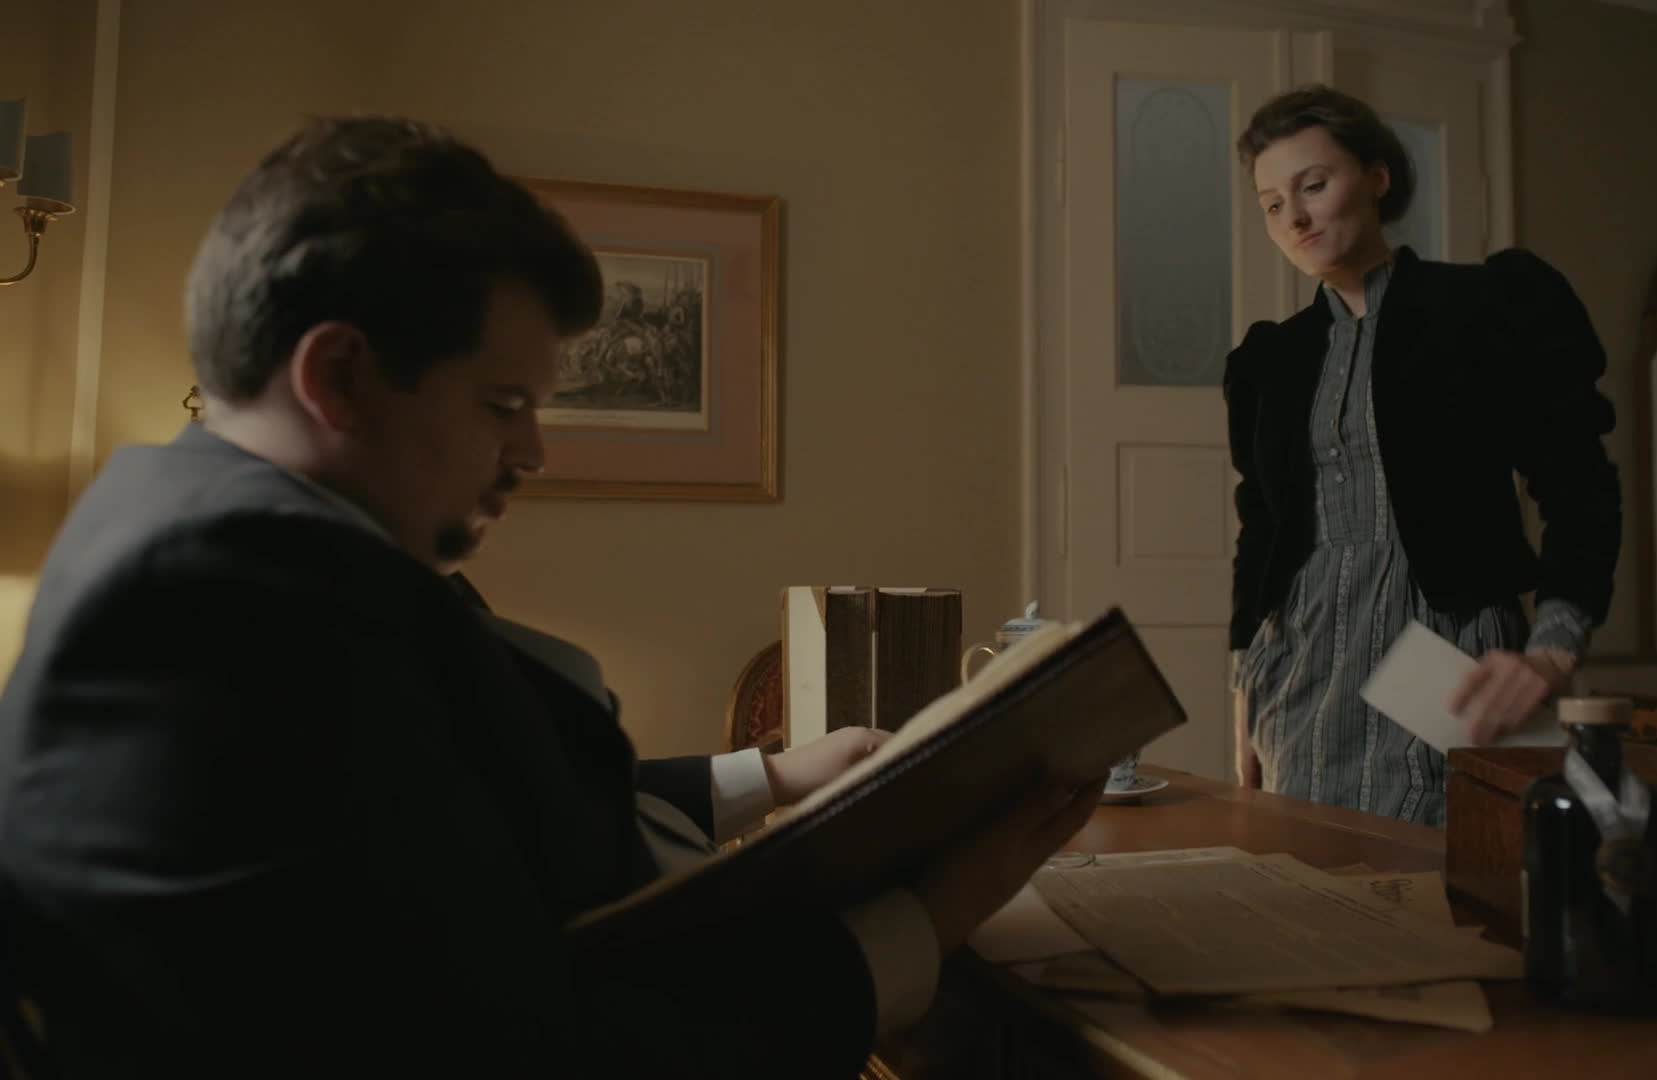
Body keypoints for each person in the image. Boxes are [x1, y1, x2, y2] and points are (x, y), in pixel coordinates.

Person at [0, 115, 1100, 1078]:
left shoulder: (235, 544)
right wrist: (928, 919)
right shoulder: (236, 613)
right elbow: (551, 1046)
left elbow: (473, 818)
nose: (530, 451)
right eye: (503, 404)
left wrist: (767, 777)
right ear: (337, 376)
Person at [1225, 85, 1622, 825]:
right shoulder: (1269, 361)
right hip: (1300, 673)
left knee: (1438, 871)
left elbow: (1579, 484)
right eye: (1273, 204)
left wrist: (1552, 649)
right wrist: (1244, 686)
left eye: (1313, 185)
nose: (1295, 218)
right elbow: (1263, 531)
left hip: (1447, 657)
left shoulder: (1488, 307)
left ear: (1377, 177)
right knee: (1305, 873)